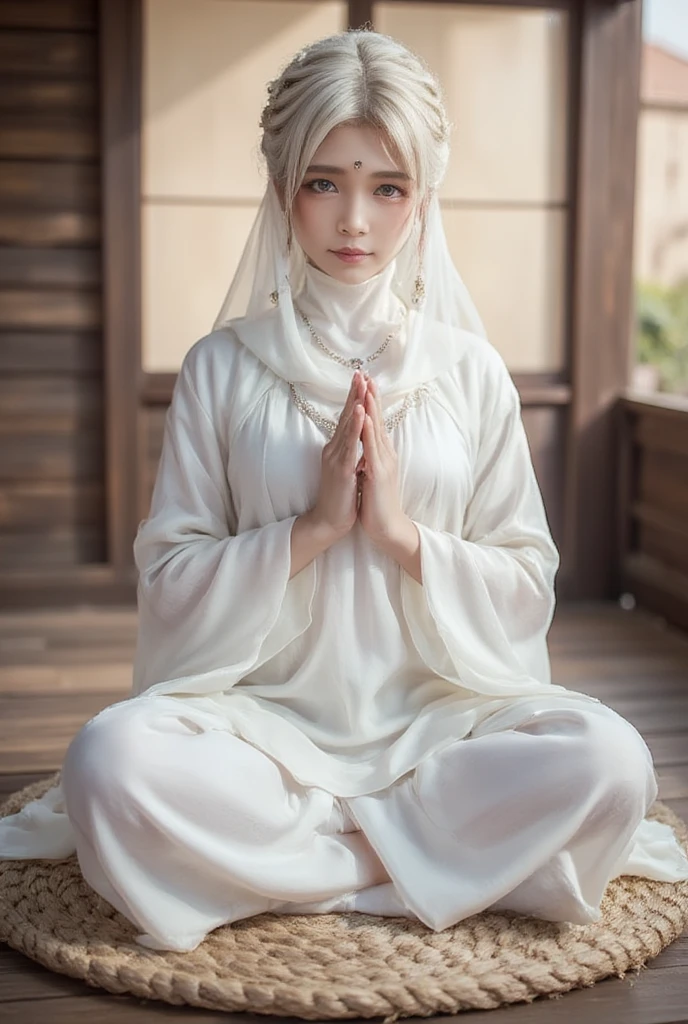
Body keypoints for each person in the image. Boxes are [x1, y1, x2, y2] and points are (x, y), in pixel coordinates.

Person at [2, 29, 687, 953]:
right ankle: (418, 863)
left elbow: (528, 577)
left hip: (443, 727)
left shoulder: (472, 373)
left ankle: (313, 866)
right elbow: (168, 576)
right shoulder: (220, 368)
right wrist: (316, 526)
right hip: (261, 728)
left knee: (613, 765)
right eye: (325, 182)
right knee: (109, 764)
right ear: (284, 187)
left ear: (422, 199)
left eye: (387, 187)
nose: (354, 220)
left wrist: (404, 536)